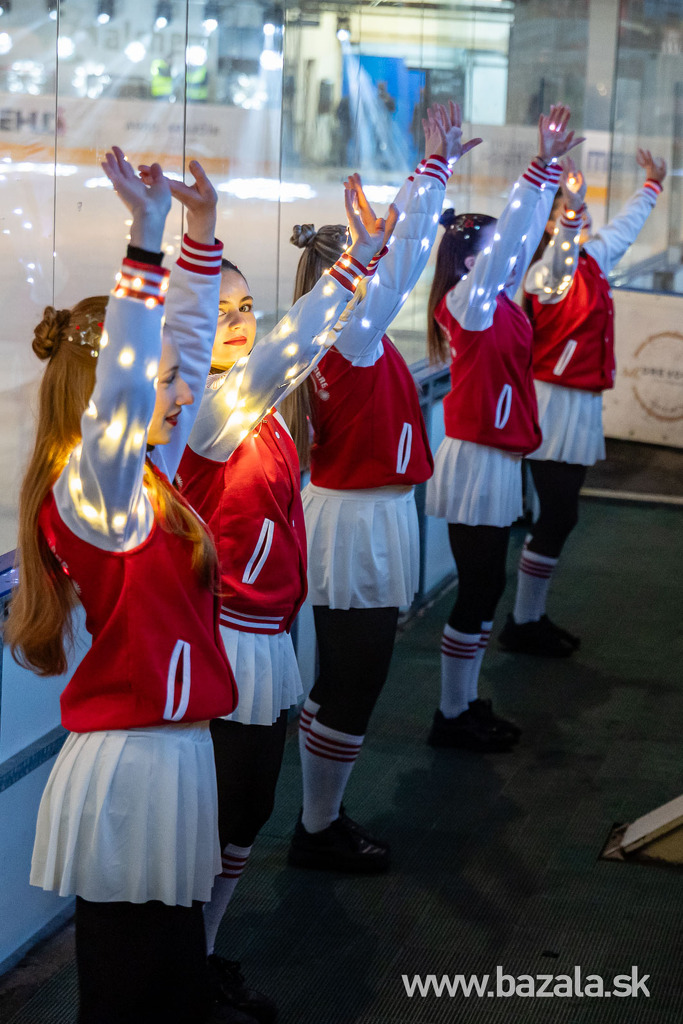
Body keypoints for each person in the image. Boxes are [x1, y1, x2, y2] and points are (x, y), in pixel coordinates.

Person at [6, 148, 238, 1024]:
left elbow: (182, 346)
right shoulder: (94, 489)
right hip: (134, 763)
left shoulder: (143, 478)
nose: (184, 393)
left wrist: (199, 232)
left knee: (164, 975)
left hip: (165, 753)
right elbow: (136, 379)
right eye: (165, 384)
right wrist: (145, 237)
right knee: (127, 988)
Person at [175, 177, 392, 1019]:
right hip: (227, 639)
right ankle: (184, 972)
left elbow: (290, 352)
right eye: (219, 309)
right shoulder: (207, 412)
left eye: (246, 306)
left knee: (247, 812)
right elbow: (287, 349)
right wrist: (353, 264)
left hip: (263, 634)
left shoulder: (256, 409)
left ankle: (199, 958)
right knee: (223, 815)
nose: (238, 321)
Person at [282, 103, 482, 872]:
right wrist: (431, 172)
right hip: (355, 519)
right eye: (364, 258)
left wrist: (433, 174)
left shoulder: (345, 336)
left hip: (366, 514)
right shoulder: (349, 334)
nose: (379, 267)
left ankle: (319, 819)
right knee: (352, 679)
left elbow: (395, 268)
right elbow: (401, 268)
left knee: (350, 675)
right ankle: (316, 826)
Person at [425, 105, 583, 752]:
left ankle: (461, 705)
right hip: (473, 459)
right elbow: (514, 238)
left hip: (491, 457)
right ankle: (451, 713)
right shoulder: (469, 303)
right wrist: (537, 168)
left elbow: (523, 239)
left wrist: (549, 180)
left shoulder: (496, 301)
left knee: (485, 587)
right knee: (479, 587)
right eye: (493, 250)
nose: (509, 256)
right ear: (470, 261)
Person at [498, 149, 667, 656]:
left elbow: (626, 228)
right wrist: (571, 213)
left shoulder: (594, 257)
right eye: (567, 211)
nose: (580, 214)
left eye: (581, 208)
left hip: (580, 404)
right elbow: (562, 263)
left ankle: (529, 617)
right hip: (552, 403)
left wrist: (652, 185)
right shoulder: (545, 275)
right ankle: (523, 621)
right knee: (558, 514)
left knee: (561, 515)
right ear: (550, 224)